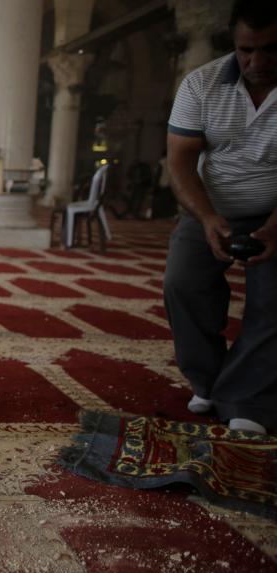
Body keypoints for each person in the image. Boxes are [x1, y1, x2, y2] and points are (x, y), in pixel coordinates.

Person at [163, 0, 277, 434]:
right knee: (183, 282)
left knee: (271, 301)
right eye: (247, 50)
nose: (257, 61)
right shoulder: (202, 84)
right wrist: (208, 217)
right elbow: (181, 162)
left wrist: (274, 227)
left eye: (270, 50)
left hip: (273, 211)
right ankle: (208, 381)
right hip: (211, 206)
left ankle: (249, 396)